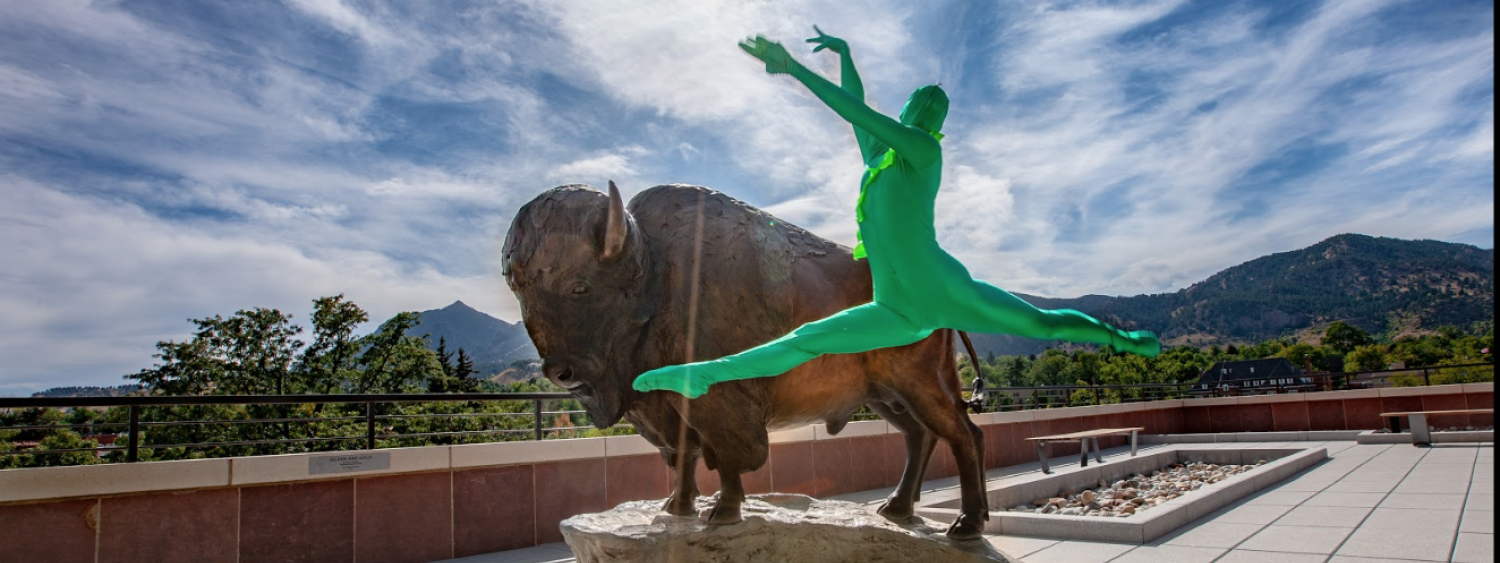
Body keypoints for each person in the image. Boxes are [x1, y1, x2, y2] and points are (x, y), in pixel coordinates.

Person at [633, 27, 1159, 399]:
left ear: (930, 124)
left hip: (943, 289)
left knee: (1041, 324)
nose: (928, 109)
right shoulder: (879, 162)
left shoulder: (924, 151)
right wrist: (844, 55)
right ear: (908, 108)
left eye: (936, 110)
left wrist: (793, 68)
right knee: (805, 341)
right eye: (922, 104)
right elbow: (859, 113)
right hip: (896, 311)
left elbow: (859, 112)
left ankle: (1120, 339)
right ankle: (704, 375)